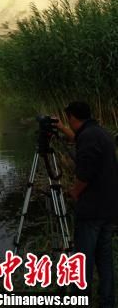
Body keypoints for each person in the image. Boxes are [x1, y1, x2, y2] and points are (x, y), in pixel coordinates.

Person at [57, 101, 118, 307]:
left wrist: (74, 192)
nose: (69, 123)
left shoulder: (89, 137)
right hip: (108, 208)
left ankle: (81, 299)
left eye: (68, 120)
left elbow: (85, 173)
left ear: (73, 117)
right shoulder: (98, 132)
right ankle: (107, 301)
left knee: (83, 259)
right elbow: (80, 141)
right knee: (104, 258)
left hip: (92, 210)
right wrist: (60, 128)